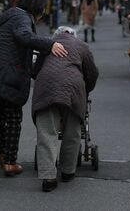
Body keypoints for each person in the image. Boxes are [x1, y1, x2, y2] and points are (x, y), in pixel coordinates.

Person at [0, 0, 68, 177]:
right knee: (14, 117)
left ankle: (2, 155)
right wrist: (50, 45)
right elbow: (24, 36)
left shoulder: (12, 16)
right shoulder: (22, 19)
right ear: (37, 8)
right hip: (7, 76)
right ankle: (10, 162)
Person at [31, 26, 99, 192]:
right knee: (73, 131)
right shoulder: (81, 46)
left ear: (57, 35)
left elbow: (34, 71)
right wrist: (85, 90)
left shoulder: (47, 45)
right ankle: (68, 171)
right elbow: (92, 74)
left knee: (47, 132)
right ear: (73, 35)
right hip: (73, 89)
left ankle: (48, 177)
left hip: (45, 88)